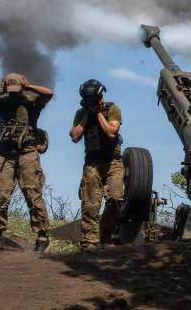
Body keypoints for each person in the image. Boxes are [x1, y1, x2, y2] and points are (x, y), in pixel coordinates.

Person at [0, 73, 53, 253]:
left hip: (28, 153)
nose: (13, 93)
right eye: (10, 90)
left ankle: (42, 237)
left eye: (16, 89)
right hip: (5, 154)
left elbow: (48, 94)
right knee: (1, 195)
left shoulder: (31, 102)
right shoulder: (1, 102)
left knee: (33, 194)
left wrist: (29, 86)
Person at [69, 79, 125, 252]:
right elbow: (75, 136)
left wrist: (99, 113)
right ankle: (89, 243)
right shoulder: (80, 113)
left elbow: (110, 132)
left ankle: (106, 234)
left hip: (113, 162)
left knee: (116, 198)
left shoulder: (112, 109)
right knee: (90, 204)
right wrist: (87, 113)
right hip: (92, 163)